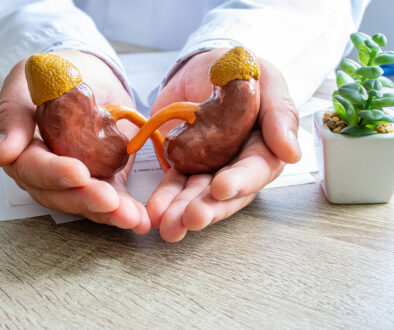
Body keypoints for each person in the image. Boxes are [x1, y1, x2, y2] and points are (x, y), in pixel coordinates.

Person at [0, 0, 369, 242]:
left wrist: (234, 43)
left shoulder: (221, 102)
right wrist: (60, 46)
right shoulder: (62, 103)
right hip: (75, 41)